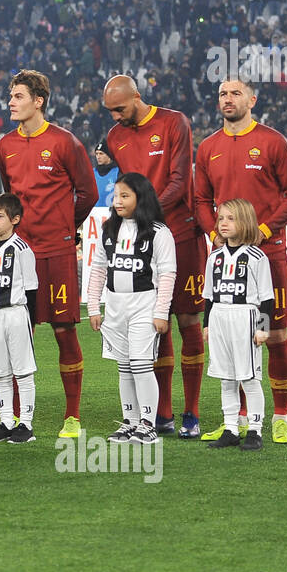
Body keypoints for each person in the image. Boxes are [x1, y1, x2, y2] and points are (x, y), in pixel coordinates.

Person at [193, 78, 287, 443]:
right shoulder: (208, 146)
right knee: (229, 336)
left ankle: (280, 416)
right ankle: (239, 419)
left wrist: (265, 231)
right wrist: (215, 234)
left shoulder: (273, 142)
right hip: (224, 257)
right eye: (223, 94)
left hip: (268, 254)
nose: (228, 99)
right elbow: (199, 200)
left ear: (252, 100)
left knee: (275, 335)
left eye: (236, 93)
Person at [0, 70, 97, 439]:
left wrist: (64, 228)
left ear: (38, 101)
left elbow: (88, 193)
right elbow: (9, 197)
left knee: (63, 330)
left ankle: (72, 416)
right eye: (11, 95)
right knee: (19, 334)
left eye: (18, 96)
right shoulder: (5, 144)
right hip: (20, 256)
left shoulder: (64, 142)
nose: (11, 102)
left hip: (56, 253)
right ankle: (19, 418)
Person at [103, 75, 203, 437]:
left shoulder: (174, 122)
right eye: (110, 111)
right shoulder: (115, 137)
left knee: (189, 322)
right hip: (142, 241)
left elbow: (180, 180)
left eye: (120, 108)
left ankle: (191, 412)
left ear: (137, 97)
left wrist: (148, 212)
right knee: (153, 329)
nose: (115, 117)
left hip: (181, 234)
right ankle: (161, 413)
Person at [86, 173, 176, 445]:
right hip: (115, 307)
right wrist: (93, 306)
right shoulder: (108, 230)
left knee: (140, 365)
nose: (118, 202)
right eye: (116, 196)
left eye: (125, 196)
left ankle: (148, 424)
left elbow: (167, 274)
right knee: (124, 367)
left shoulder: (159, 232)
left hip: (144, 306)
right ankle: (131, 421)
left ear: (142, 197)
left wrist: (161, 312)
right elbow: (99, 269)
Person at [201, 199, 274, 451]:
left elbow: (267, 297)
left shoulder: (257, 256)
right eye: (221, 218)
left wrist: (263, 327)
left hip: (246, 318)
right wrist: (207, 324)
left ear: (245, 221)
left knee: (249, 378)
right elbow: (208, 295)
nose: (224, 223)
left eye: (230, 218)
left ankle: (255, 429)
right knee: (226, 378)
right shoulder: (215, 258)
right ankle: (230, 427)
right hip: (220, 317)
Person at [0, 193, 38, 444]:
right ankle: (7, 421)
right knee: (0, 372)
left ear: (15, 219)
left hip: (15, 314)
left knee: (22, 372)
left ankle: (26, 423)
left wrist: (30, 323)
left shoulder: (22, 249)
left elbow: (32, 289)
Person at [94, 140, 119, 208]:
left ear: (109, 155)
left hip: (112, 213)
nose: (98, 157)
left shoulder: (118, 172)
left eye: (101, 153)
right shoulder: (93, 173)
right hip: (94, 213)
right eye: (96, 154)